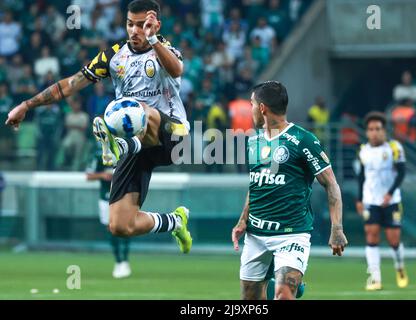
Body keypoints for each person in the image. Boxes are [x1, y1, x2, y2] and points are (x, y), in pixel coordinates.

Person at [5, 0, 192, 254]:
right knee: (120, 225)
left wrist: (154, 39)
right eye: (130, 24)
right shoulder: (114, 56)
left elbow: (177, 69)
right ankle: (175, 221)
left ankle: (120, 144)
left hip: (173, 137)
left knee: (137, 109)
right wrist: (27, 104)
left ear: (155, 24)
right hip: (138, 145)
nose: (135, 31)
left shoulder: (164, 49)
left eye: (142, 25)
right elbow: (71, 84)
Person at [231, 81, 348, 300]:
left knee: (284, 294)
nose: (251, 109)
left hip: (291, 235)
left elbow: (331, 184)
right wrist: (242, 220)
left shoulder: (304, 140)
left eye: (252, 104)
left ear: (263, 108)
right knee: (250, 299)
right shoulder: (254, 141)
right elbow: (256, 184)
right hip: (255, 236)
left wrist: (337, 228)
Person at [355, 111, 408, 291]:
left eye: (378, 129)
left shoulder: (394, 148)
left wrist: (390, 193)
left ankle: (400, 267)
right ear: (367, 132)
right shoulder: (363, 150)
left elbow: (401, 172)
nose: (374, 132)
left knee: (393, 239)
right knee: (371, 235)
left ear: (384, 130)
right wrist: (359, 199)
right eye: (371, 129)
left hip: (391, 200)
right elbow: (361, 176)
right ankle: (375, 278)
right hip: (371, 199)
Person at [87, 143, 131, 279]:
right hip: (106, 197)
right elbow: (89, 175)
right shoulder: (98, 154)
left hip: (124, 194)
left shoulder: (125, 149)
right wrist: (102, 175)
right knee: (111, 228)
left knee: (126, 227)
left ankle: (125, 259)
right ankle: (118, 261)